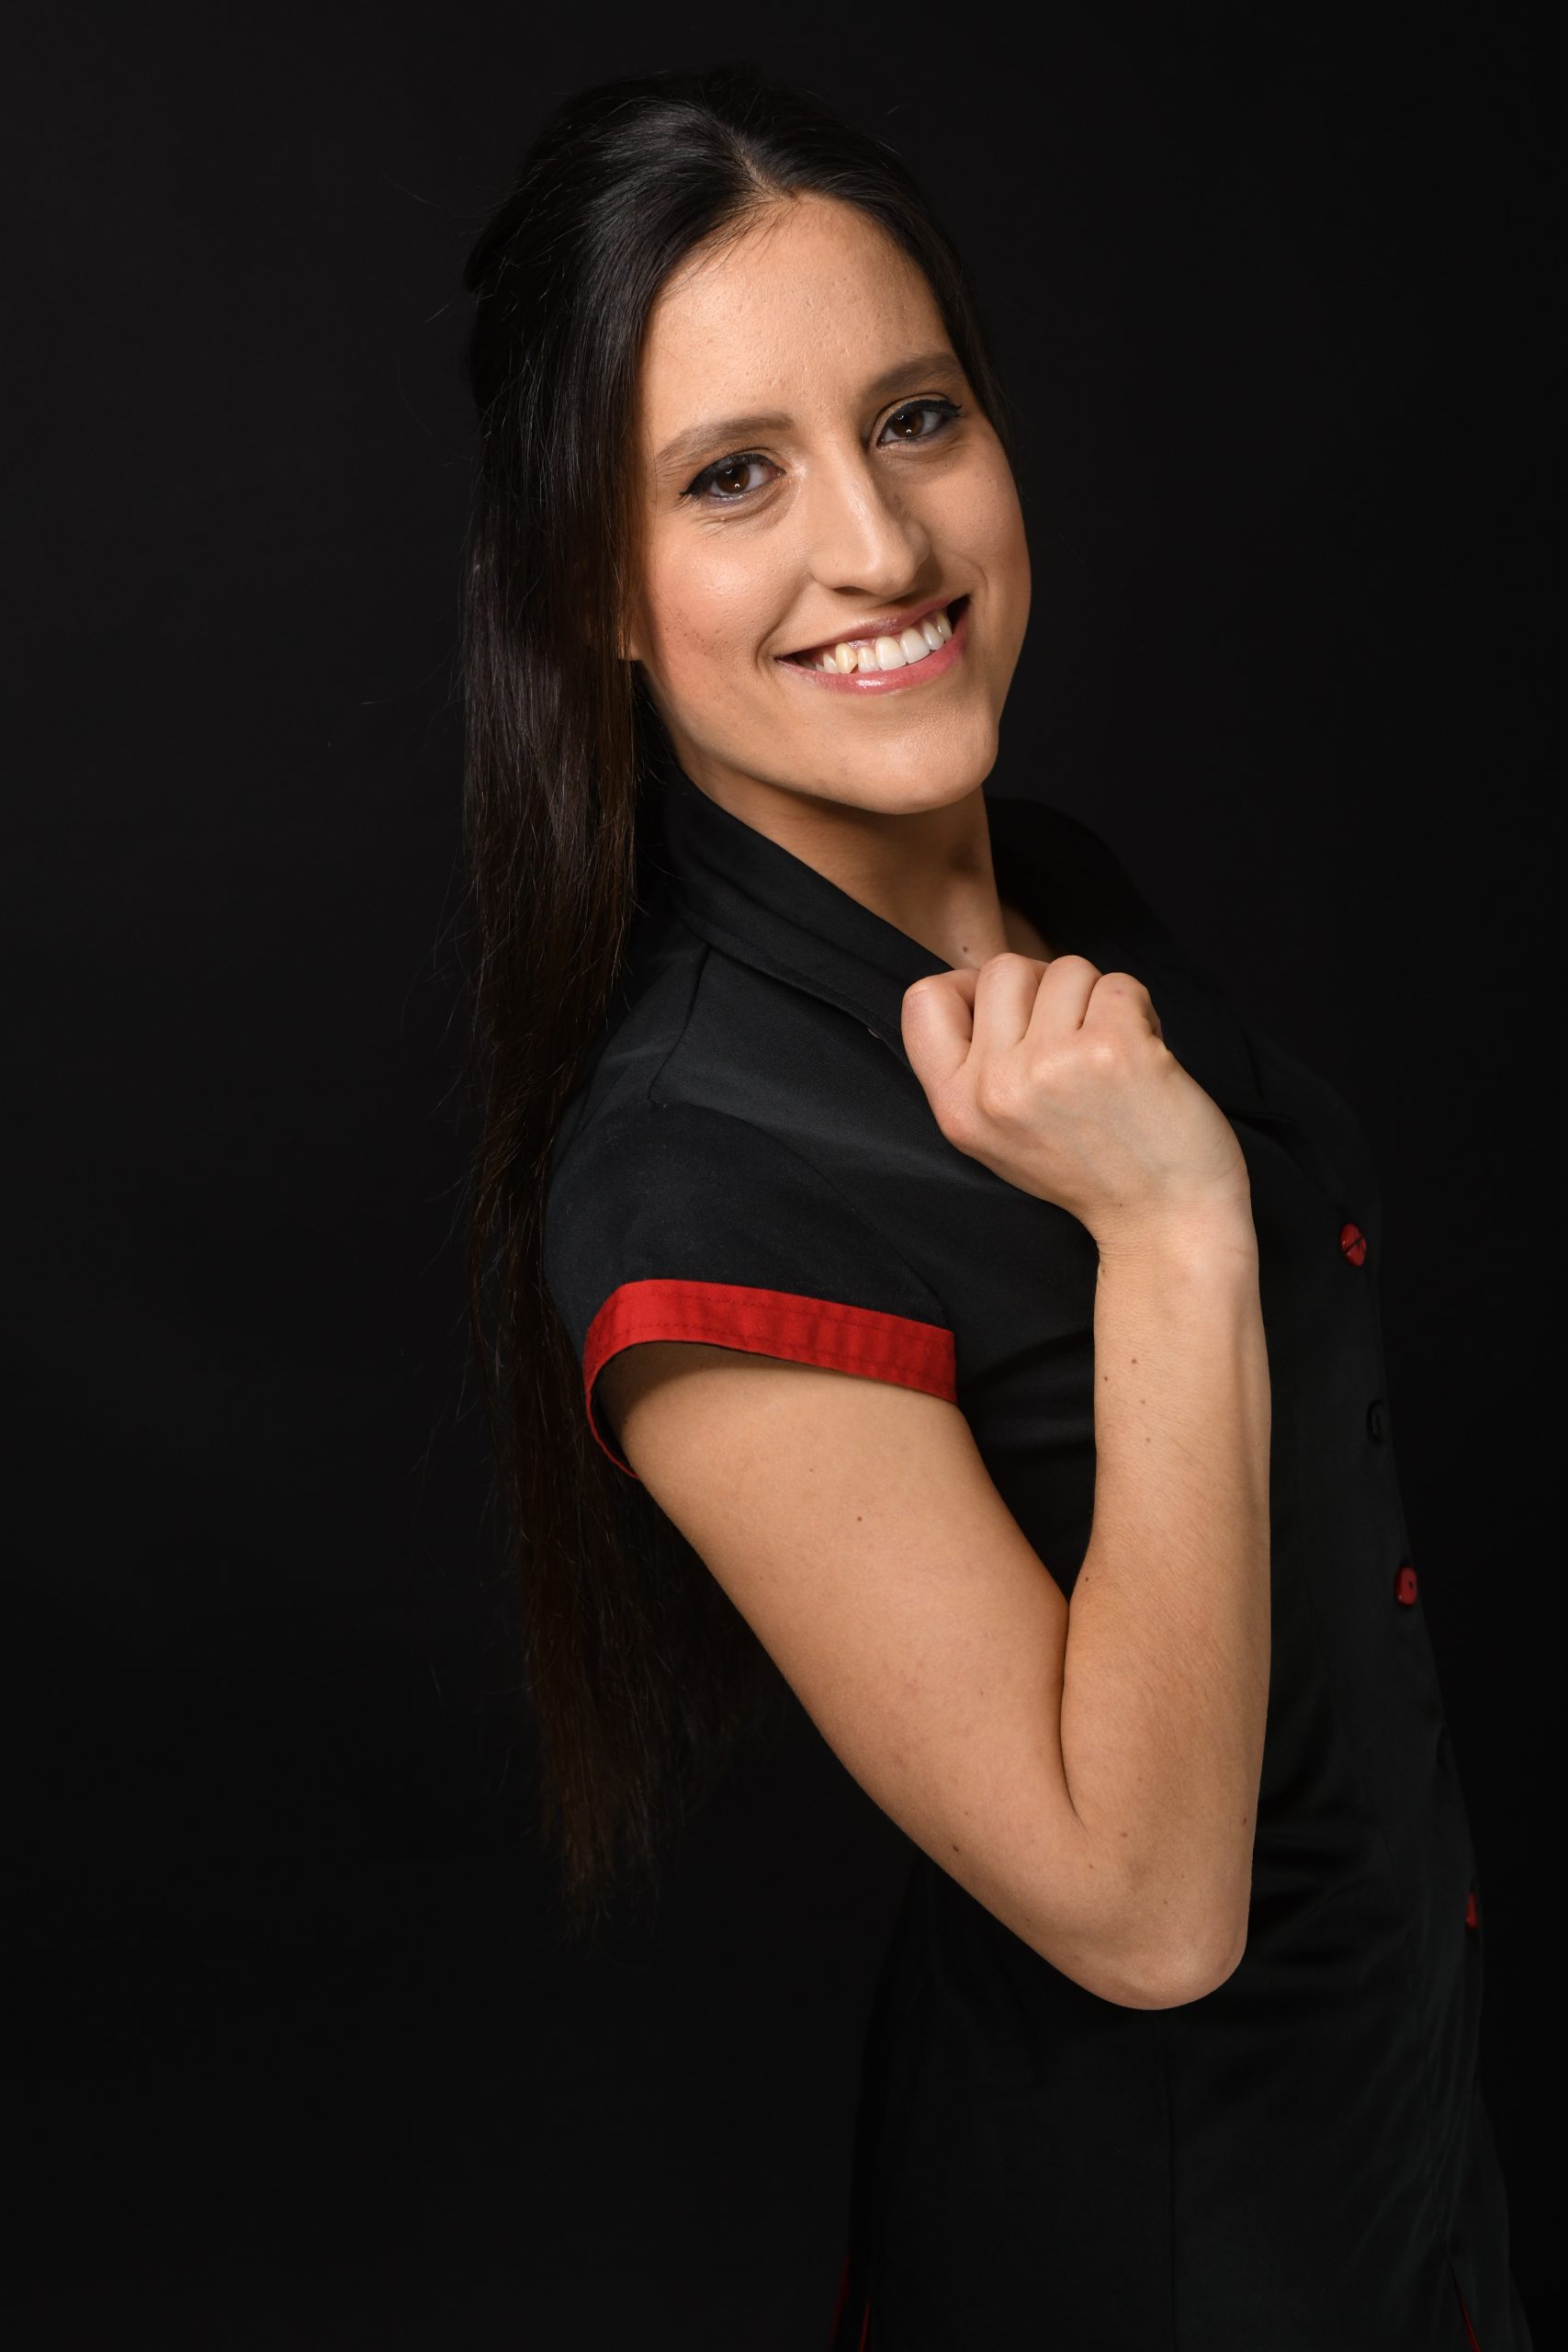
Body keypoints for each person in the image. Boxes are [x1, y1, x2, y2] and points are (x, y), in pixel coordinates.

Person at [457, 60, 1530, 2351]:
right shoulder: (691, 1173)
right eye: (732, 475)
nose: (877, 543)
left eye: (914, 417)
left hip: (1400, 2178)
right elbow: (1138, 1910)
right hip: (1160, 2267)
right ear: (593, 591)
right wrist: (1173, 1227)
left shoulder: (1048, 895)